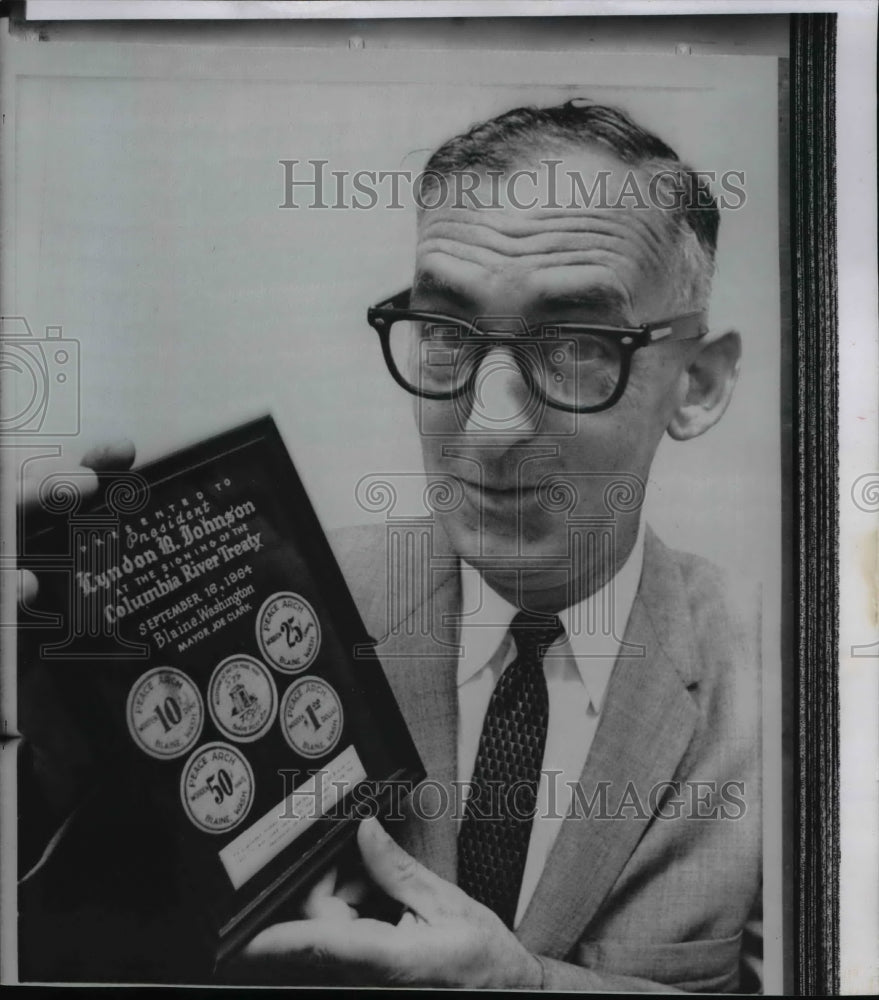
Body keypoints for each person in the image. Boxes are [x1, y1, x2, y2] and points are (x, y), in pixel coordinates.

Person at [17, 101, 761, 991]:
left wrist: (529, 989)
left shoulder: (794, 682)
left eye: (572, 346)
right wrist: (52, 710)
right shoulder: (271, 605)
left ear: (698, 386)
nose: (487, 429)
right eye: (447, 335)